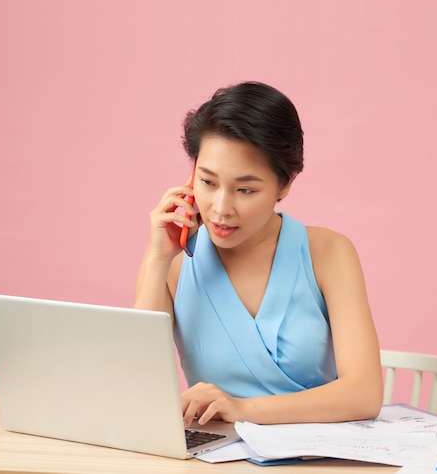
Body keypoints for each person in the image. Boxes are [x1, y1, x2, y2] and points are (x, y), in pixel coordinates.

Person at [134, 81, 383, 427]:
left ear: (286, 183)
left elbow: (365, 394)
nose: (221, 209)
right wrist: (157, 257)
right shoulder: (173, 260)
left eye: (245, 189)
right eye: (207, 182)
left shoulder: (329, 253)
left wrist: (242, 410)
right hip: (215, 459)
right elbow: (135, 388)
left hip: (317, 457)